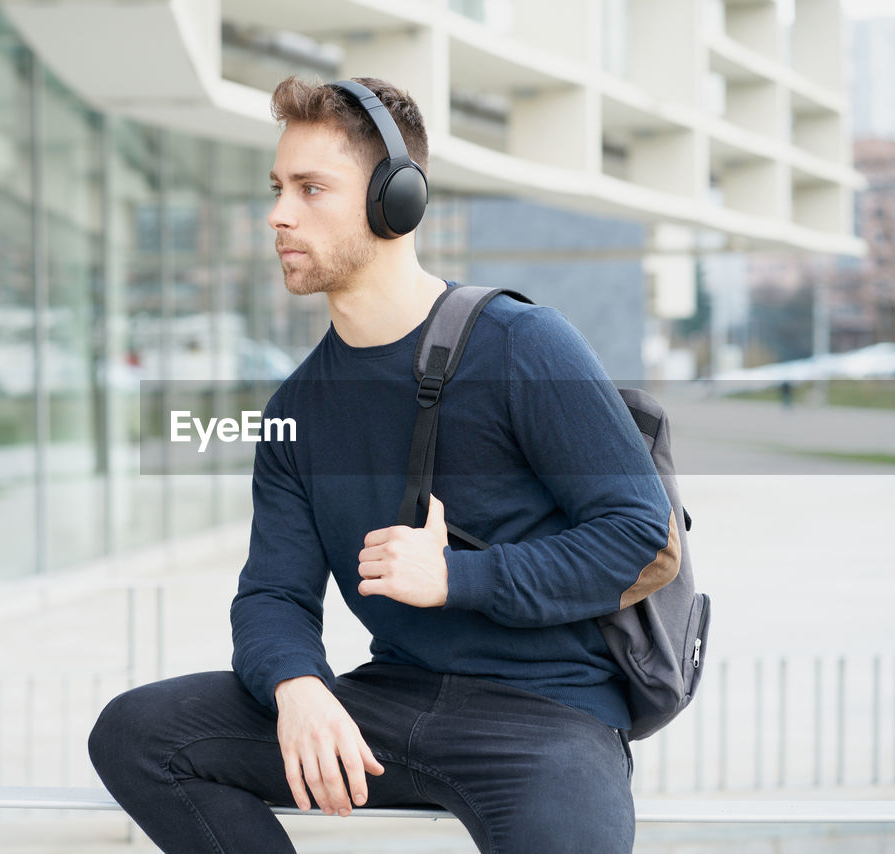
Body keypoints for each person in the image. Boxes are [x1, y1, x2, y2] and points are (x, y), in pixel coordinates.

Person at [89, 75, 681, 854]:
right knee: (138, 734)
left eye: (310, 188)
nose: (279, 215)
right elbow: (272, 595)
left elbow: (637, 531)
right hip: (388, 704)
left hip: (546, 718)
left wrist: (458, 578)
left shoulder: (520, 344)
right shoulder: (297, 410)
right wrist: (298, 687)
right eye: (278, 188)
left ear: (394, 199)